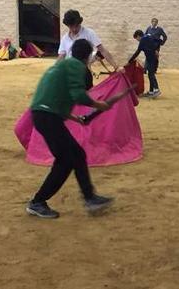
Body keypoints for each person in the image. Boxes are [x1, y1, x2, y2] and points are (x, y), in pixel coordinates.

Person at [26, 38, 114, 219]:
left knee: (77, 155)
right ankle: (37, 202)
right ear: (88, 56)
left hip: (44, 115)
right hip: (48, 117)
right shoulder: (77, 67)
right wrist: (99, 105)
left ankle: (90, 197)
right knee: (66, 160)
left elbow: (55, 99)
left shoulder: (61, 66)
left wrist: (75, 118)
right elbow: (78, 95)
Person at [56, 10, 121, 89]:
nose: (73, 29)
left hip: (84, 73)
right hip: (69, 73)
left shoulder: (89, 33)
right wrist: (54, 71)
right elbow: (61, 57)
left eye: (76, 26)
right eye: (70, 26)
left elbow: (102, 50)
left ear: (79, 23)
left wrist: (116, 67)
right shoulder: (65, 38)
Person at [128, 29, 162, 97]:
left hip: (151, 59)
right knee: (150, 74)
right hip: (152, 58)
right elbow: (159, 41)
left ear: (138, 36)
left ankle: (157, 89)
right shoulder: (149, 36)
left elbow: (138, 52)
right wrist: (156, 50)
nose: (137, 40)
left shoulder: (143, 39)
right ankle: (151, 91)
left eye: (137, 39)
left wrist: (130, 61)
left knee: (151, 74)